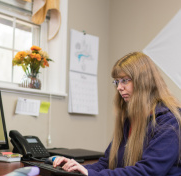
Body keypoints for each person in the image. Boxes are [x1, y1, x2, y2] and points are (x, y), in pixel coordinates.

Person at [53, 52, 181, 175]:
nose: (119, 87)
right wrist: (75, 168)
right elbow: (107, 163)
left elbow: (148, 171)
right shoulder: (130, 120)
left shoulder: (169, 120)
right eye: (117, 81)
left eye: (125, 80)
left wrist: (90, 174)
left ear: (144, 81)